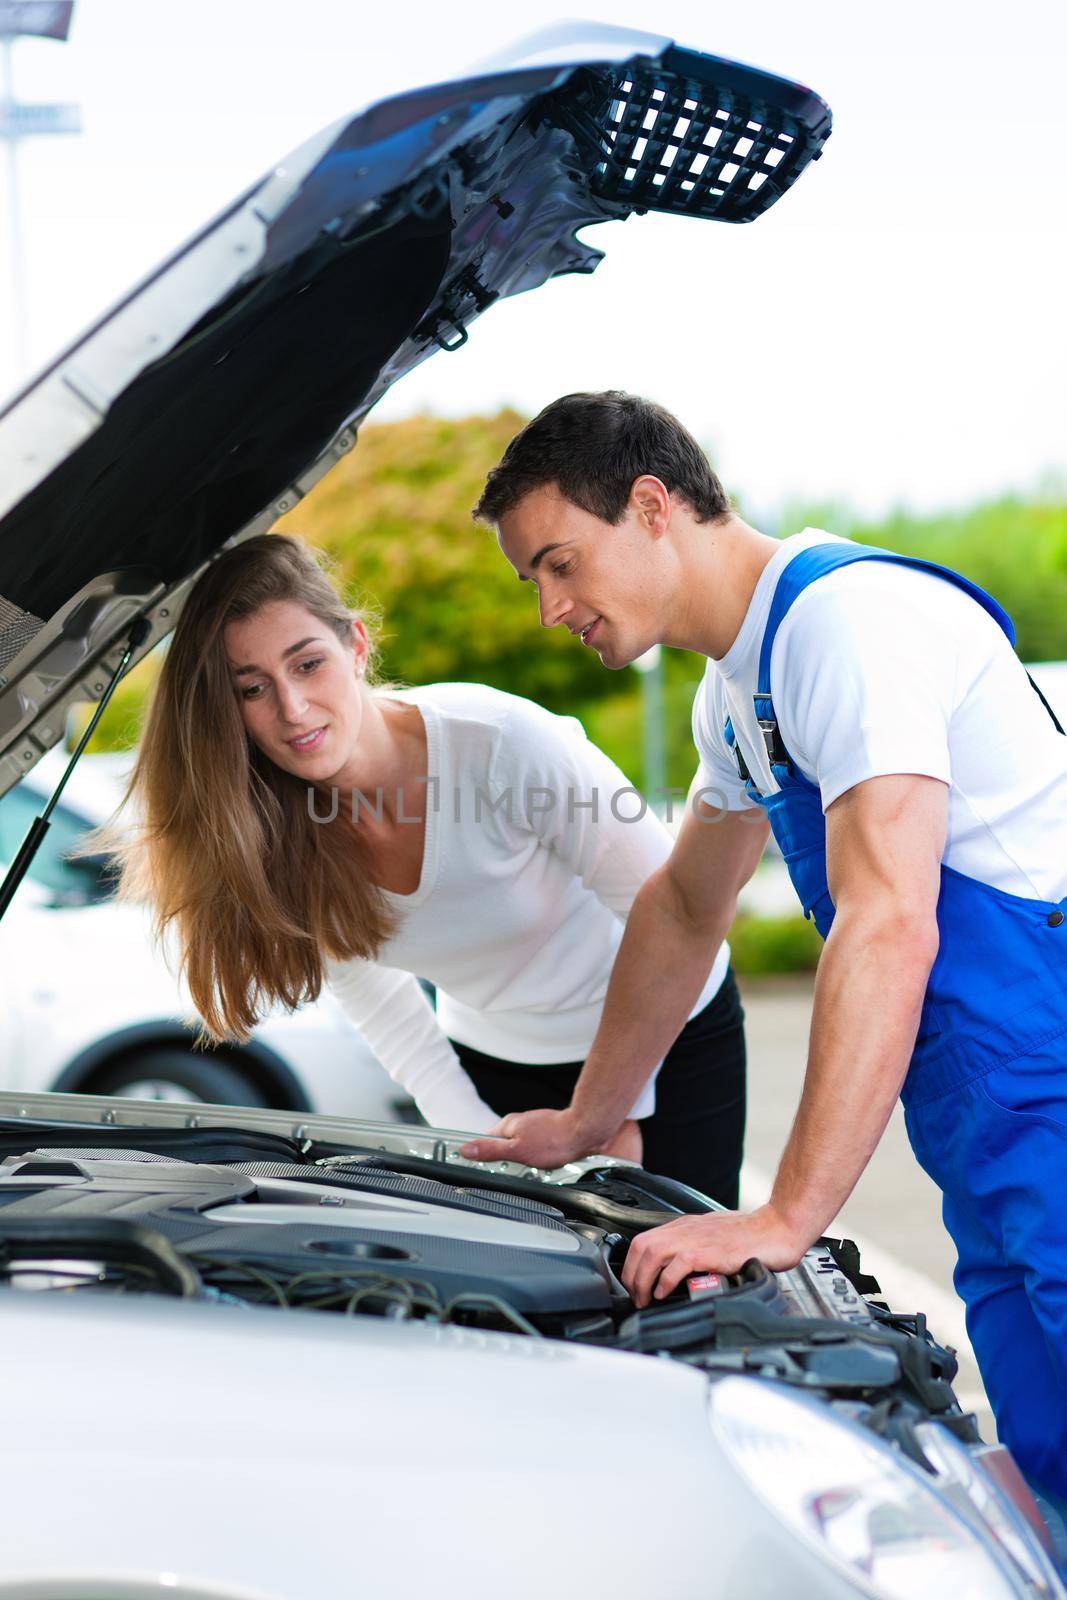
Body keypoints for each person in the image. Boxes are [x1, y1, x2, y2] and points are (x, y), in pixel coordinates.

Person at [464, 390, 1067, 1504]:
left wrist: (784, 1215)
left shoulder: (848, 627)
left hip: (1046, 1057)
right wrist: (592, 1116)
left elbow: (887, 918)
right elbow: (686, 906)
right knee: (1044, 1426)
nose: (551, 607)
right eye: (531, 580)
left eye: (558, 563)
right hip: (985, 1111)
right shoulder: (734, 693)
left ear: (650, 507)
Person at [113, 531, 747, 1202]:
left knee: (678, 1277)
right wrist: (477, 1144)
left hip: (670, 1036)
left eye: (307, 665)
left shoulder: (501, 744)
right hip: (500, 1062)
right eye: (251, 688)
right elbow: (381, 1004)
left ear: (355, 646)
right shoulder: (274, 829)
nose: (291, 710)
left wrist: (610, 1113)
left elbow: (680, 913)